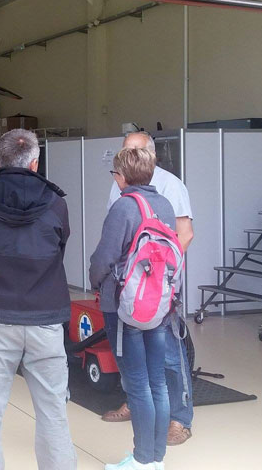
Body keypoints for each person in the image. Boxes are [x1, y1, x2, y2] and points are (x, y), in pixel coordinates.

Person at [0, 129, 77, 470]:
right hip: (45, 315)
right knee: (53, 410)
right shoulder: (56, 202)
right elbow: (60, 246)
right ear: (35, 163)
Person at [104, 131, 195, 447]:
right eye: (124, 151)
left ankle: (180, 419)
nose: (126, 157)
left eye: (135, 151)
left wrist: (158, 275)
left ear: (152, 156)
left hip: (158, 289)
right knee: (127, 350)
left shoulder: (171, 185)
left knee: (169, 353)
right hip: (125, 287)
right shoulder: (118, 183)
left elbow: (185, 234)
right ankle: (136, 402)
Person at [90, 147, 176, 470]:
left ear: (123, 177)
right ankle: (155, 459)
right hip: (159, 305)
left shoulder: (123, 207)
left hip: (125, 307)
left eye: (115, 174)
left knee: (137, 384)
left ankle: (141, 461)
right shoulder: (164, 205)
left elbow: (104, 258)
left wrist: (95, 281)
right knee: (158, 382)